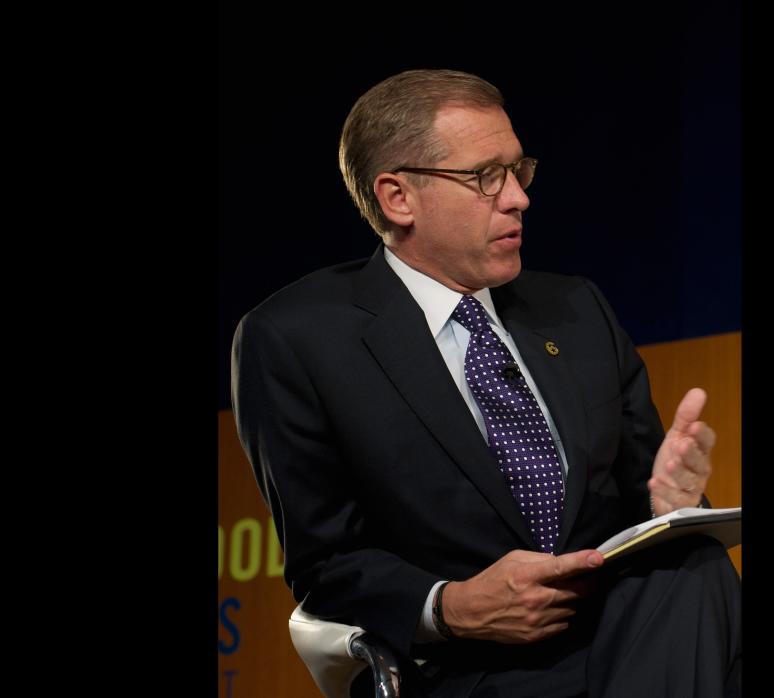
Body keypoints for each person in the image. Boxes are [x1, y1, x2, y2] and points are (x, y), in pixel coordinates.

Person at [231, 69, 740, 697]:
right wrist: (452, 606)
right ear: (398, 197)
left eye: (518, 169)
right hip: (470, 666)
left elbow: (640, 512)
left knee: (695, 564)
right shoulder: (297, 338)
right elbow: (326, 562)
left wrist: (674, 509)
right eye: (483, 177)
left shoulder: (578, 309)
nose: (518, 198)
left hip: (625, 636)